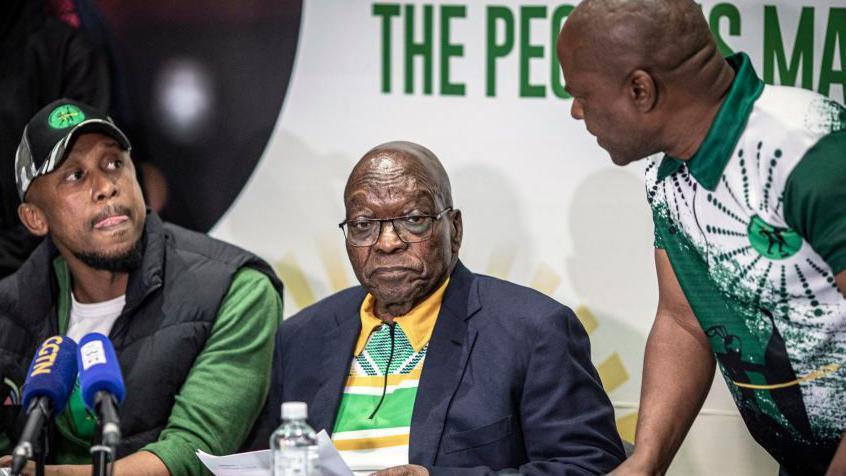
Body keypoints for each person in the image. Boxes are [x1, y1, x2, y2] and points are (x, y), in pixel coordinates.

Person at [556, 1, 846, 474]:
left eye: (583, 94)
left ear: (640, 89)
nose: (575, 111)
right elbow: (684, 320)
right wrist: (647, 459)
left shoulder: (810, 150)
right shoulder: (668, 176)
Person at [247, 141, 625, 474]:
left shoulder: (533, 330)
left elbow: (588, 466)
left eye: (413, 220)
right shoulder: (301, 338)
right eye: (363, 224)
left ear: (454, 230)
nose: (387, 242)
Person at [0, 99, 284, 475]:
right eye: (75, 176)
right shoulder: (8, 312)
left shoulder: (236, 291)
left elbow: (191, 457)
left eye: (114, 163)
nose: (105, 187)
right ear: (36, 217)